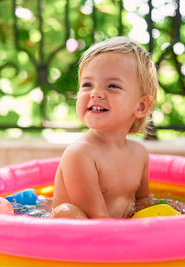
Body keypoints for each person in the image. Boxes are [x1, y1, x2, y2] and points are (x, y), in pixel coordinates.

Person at [50, 36, 158, 219]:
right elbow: (97, 220)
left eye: (112, 86)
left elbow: (143, 205)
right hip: (81, 236)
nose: (96, 93)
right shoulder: (80, 154)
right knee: (66, 213)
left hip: (113, 229)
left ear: (140, 106)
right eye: (87, 84)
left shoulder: (139, 153)